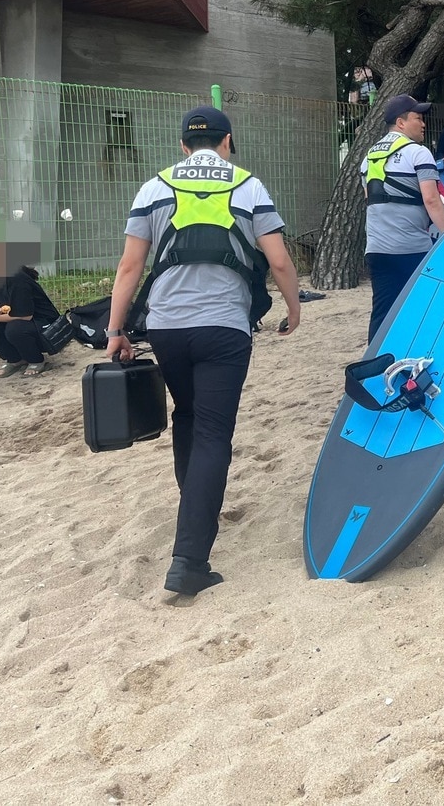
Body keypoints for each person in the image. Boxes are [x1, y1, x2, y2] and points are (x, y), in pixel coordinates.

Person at [107, 105, 301, 597]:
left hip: (167, 327)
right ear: (227, 141)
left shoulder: (155, 187)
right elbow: (277, 258)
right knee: (214, 432)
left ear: (182, 146)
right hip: (224, 327)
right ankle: (190, 560)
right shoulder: (248, 186)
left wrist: (115, 330)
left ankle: (195, 508)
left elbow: (131, 266)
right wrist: (294, 307)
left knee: (188, 416)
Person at [363, 94, 444, 341]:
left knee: (383, 313)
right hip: (412, 248)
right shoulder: (418, 152)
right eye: (418, 118)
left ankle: (375, 368)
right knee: (425, 310)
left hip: (377, 248)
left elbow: (369, 199)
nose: (423, 124)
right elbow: (432, 201)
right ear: (401, 123)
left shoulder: (369, 156)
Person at [0, 265, 62, 378]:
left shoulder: (17, 278)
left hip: (45, 324)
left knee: (15, 329)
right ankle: (15, 359)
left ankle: (36, 360)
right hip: (18, 320)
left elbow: (25, 315)